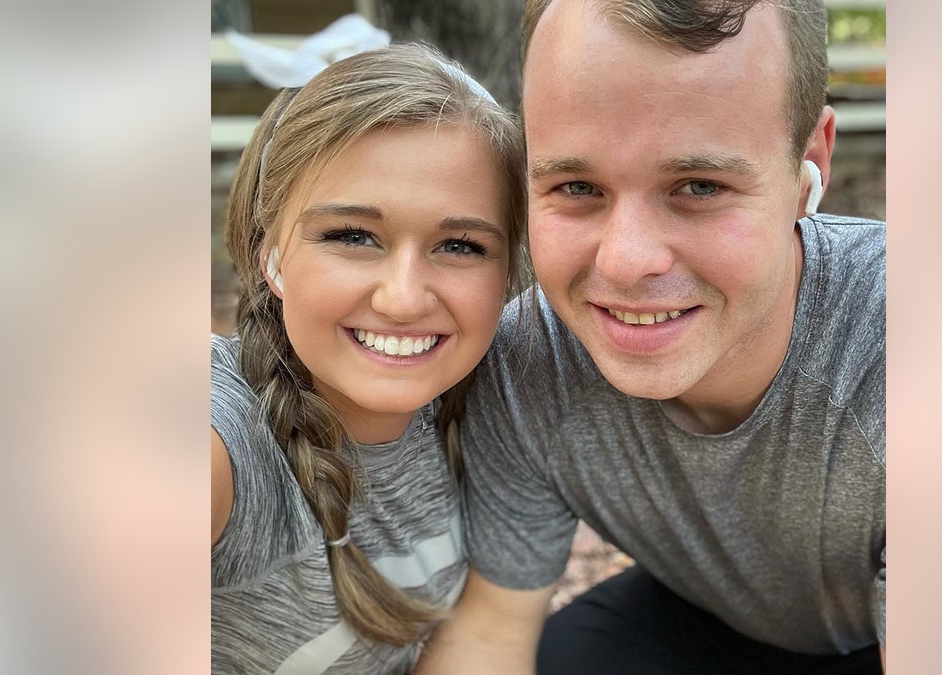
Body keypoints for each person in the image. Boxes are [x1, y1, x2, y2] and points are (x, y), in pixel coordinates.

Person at [416, 1, 885, 674]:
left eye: (699, 185)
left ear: (808, 163)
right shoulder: (526, 364)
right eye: (577, 186)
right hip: (726, 617)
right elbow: (491, 635)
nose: (625, 261)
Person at [210, 43, 530, 674]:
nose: (404, 298)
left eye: (460, 245)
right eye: (353, 237)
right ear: (271, 252)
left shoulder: (495, 402)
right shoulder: (221, 436)